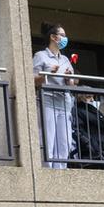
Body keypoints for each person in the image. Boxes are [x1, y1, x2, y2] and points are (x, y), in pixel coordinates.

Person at [32, 21, 76, 168]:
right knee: (47, 140)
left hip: (64, 104)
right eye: (62, 35)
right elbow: (31, 80)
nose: (65, 38)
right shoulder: (41, 56)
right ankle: (46, 172)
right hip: (47, 102)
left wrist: (69, 77)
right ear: (53, 37)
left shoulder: (65, 59)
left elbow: (73, 83)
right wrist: (47, 74)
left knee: (65, 142)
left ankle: (59, 174)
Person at [72, 91, 104, 167]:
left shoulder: (92, 110)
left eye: (93, 97)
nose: (92, 100)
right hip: (96, 144)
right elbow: (81, 131)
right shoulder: (78, 111)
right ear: (80, 98)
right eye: (89, 97)